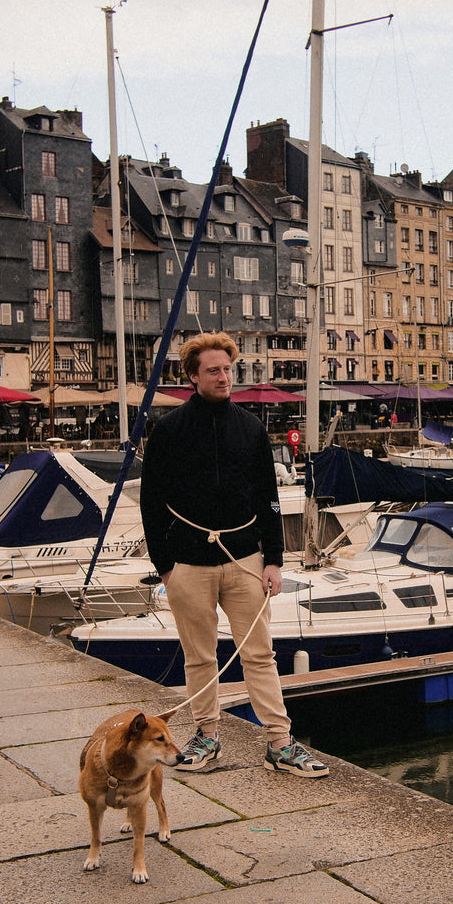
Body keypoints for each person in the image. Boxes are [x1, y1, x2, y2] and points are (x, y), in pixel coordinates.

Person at [140, 332, 328, 778]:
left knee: (259, 655)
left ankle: (279, 743)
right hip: (187, 563)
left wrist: (275, 560)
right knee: (200, 656)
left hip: (246, 559)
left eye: (228, 369)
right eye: (213, 370)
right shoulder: (169, 431)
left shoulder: (251, 428)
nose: (224, 377)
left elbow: (270, 499)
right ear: (192, 375)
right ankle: (207, 736)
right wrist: (165, 566)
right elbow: (151, 502)